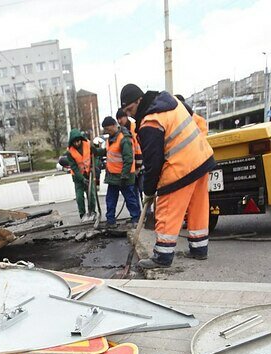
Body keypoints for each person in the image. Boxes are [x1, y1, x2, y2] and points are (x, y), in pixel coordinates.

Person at [119, 83, 216, 269]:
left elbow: (153, 163)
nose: (130, 115)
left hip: (181, 166)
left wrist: (149, 190)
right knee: (198, 207)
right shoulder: (169, 101)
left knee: (167, 207)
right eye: (126, 111)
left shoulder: (150, 122)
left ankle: (162, 256)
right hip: (202, 158)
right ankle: (199, 249)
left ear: (139, 100)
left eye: (130, 109)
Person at [96, 116, 140, 228]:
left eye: (108, 129)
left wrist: (124, 175)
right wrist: (96, 151)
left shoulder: (124, 139)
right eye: (106, 130)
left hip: (124, 176)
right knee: (110, 199)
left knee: (130, 199)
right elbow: (108, 152)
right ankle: (110, 221)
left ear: (115, 125)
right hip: (113, 176)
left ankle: (136, 219)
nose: (107, 132)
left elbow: (128, 159)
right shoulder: (110, 139)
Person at [65, 129, 97, 222]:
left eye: (78, 141)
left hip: (88, 173)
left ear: (81, 139)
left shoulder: (88, 144)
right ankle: (82, 214)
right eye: (74, 142)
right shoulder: (69, 151)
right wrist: (82, 179)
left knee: (91, 194)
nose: (77, 143)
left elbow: (95, 155)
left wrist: (94, 167)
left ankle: (92, 212)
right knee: (79, 197)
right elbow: (74, 167)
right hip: (77, 176)